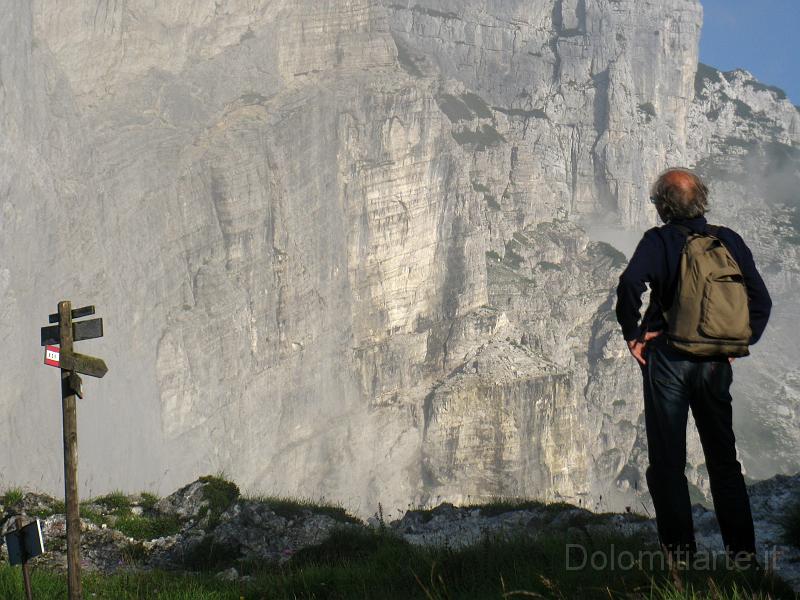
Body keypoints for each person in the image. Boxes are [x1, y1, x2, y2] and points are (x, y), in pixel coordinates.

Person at [615, 168, 772, 563]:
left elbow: (630, 284)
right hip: (716, 364)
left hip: (669, 360)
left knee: (668, 463)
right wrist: (735, 342)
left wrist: (633, 334)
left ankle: (680, 562)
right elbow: (761, 302)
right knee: (723, 462)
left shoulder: (658, 241)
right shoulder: (727, 239)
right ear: (701, 199)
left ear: (662, 205)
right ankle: (744, 558)